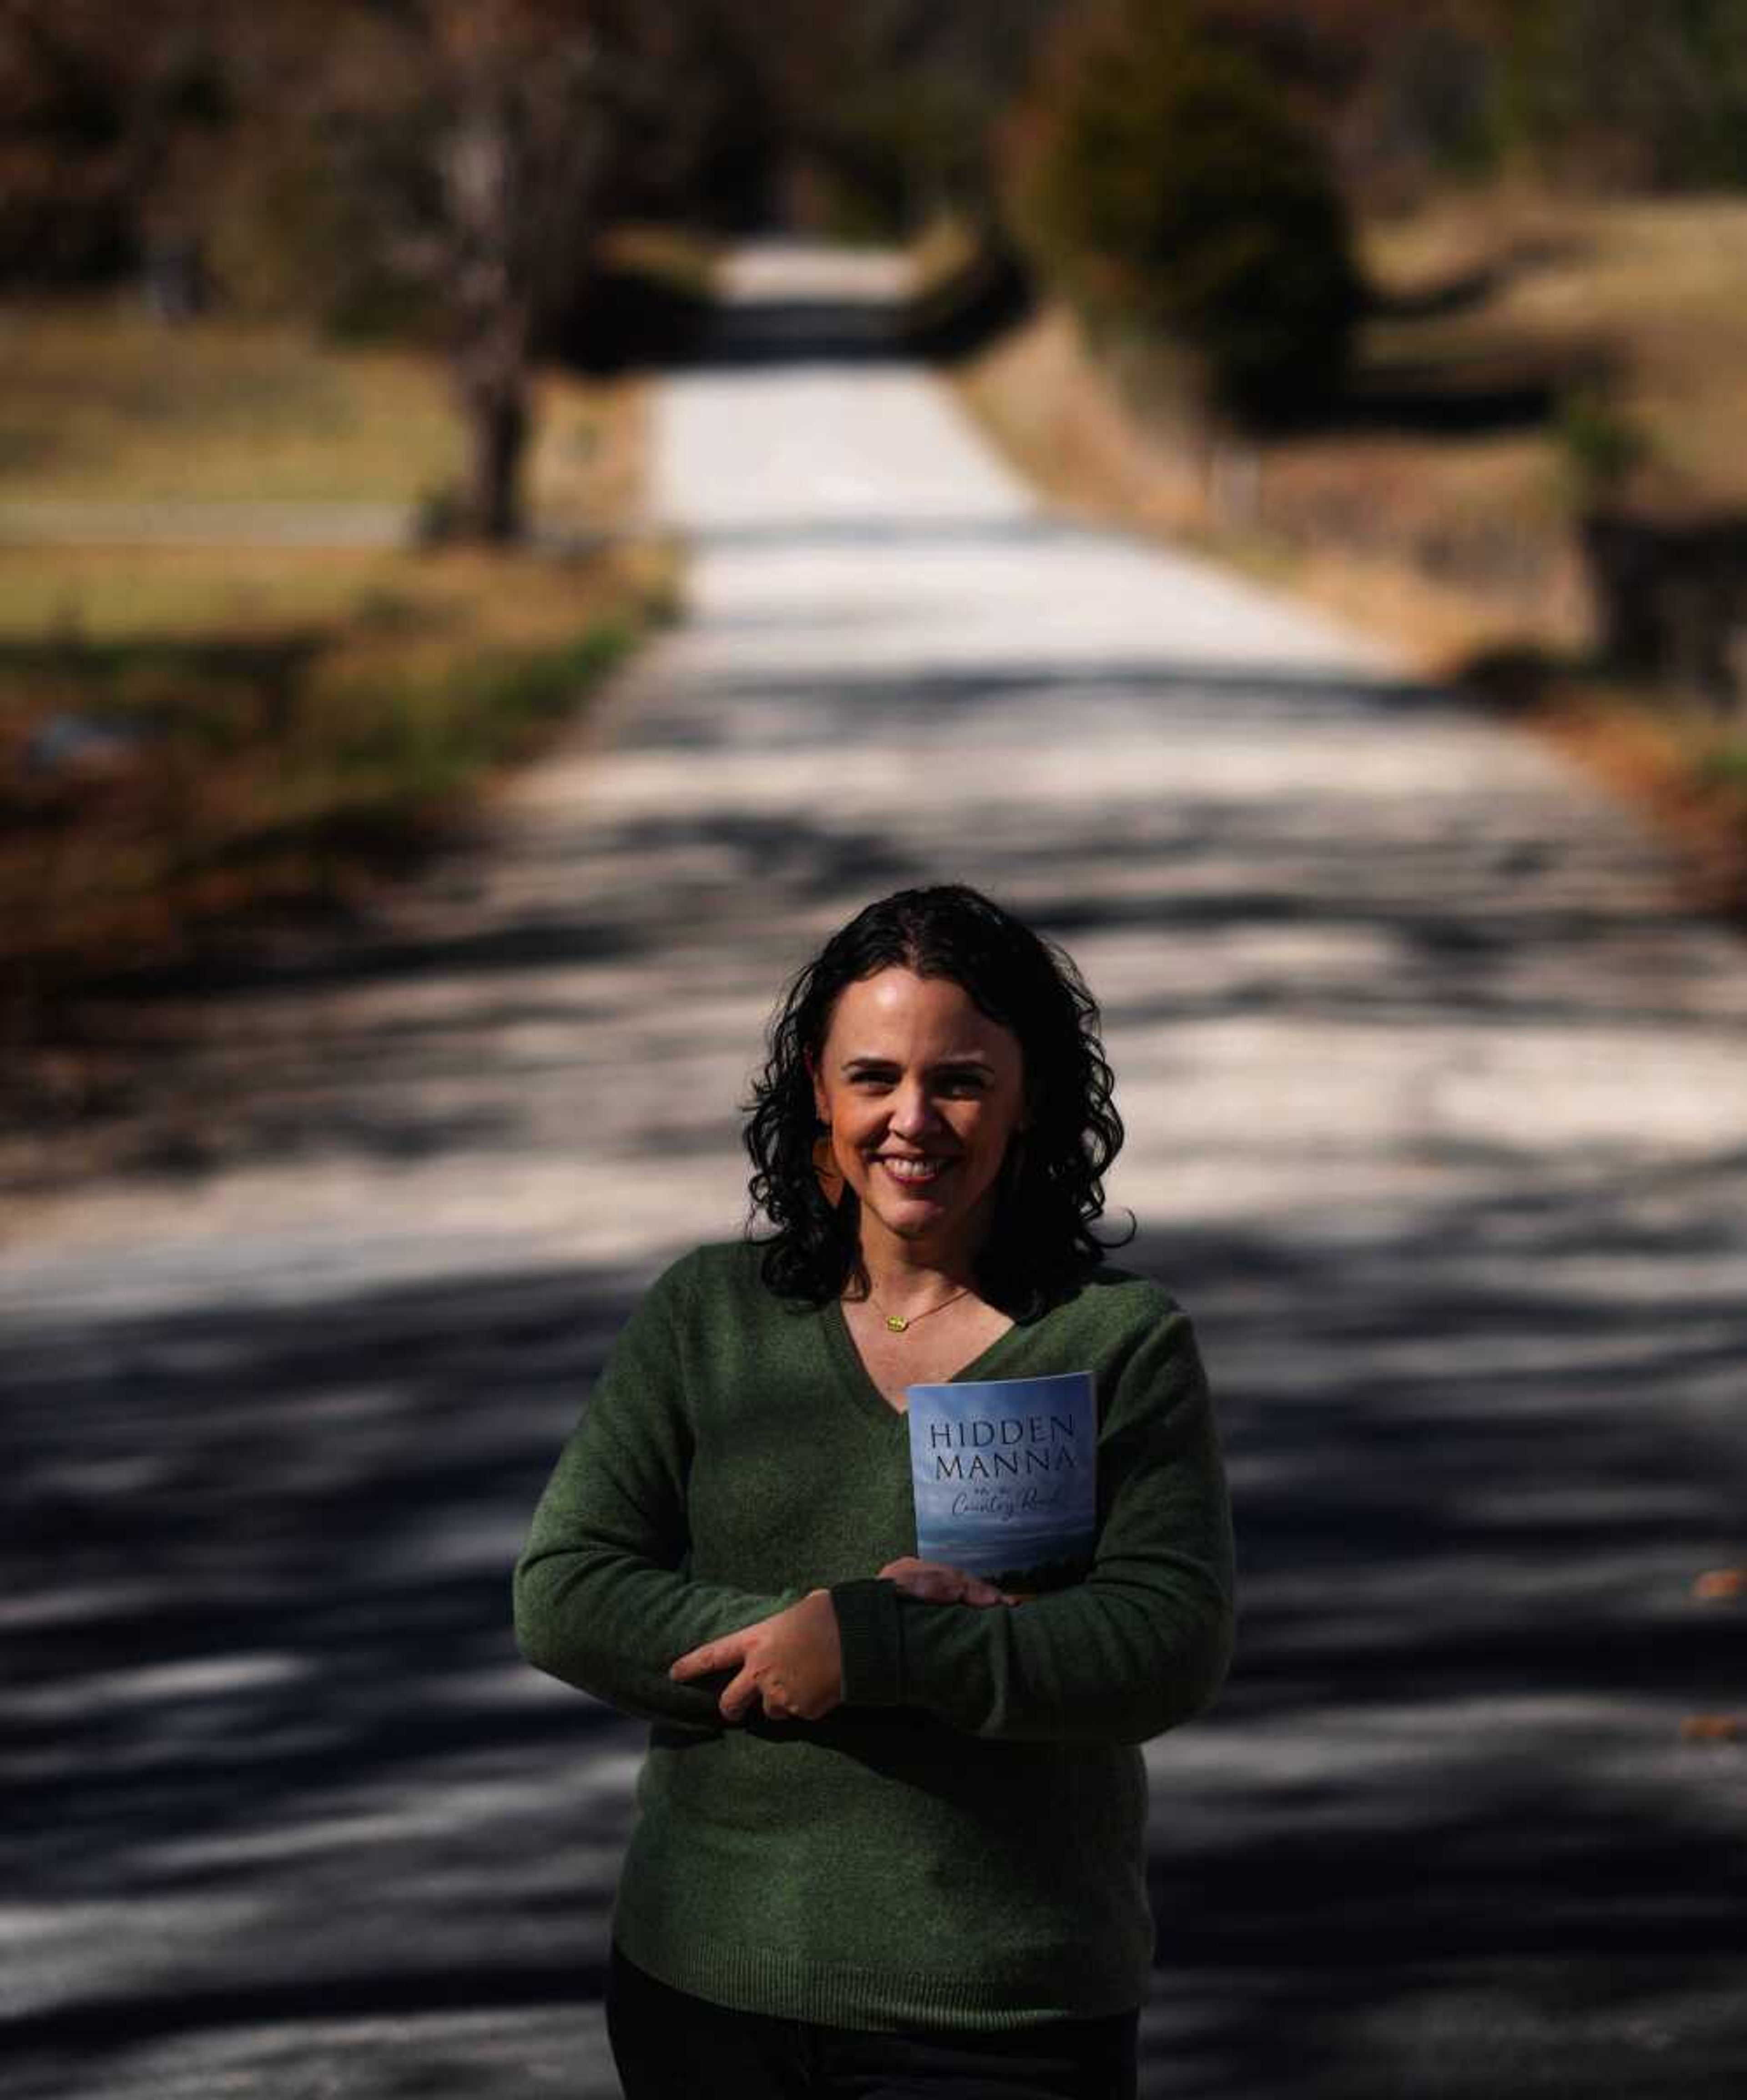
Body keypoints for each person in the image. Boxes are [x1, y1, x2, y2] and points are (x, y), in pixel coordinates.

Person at [514, 882, 1235, 2099]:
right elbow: (566, 1589)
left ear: (1031, 1096)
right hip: (706, 1989)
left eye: (958, 1079)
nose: (914, 1119)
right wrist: (801, 1642)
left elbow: (1165, 1641)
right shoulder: (709, 1317)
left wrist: (882, 1648)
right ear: (817, 1087)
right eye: (874, 1077)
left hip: (1000, 2011)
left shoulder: (1114, 1343)